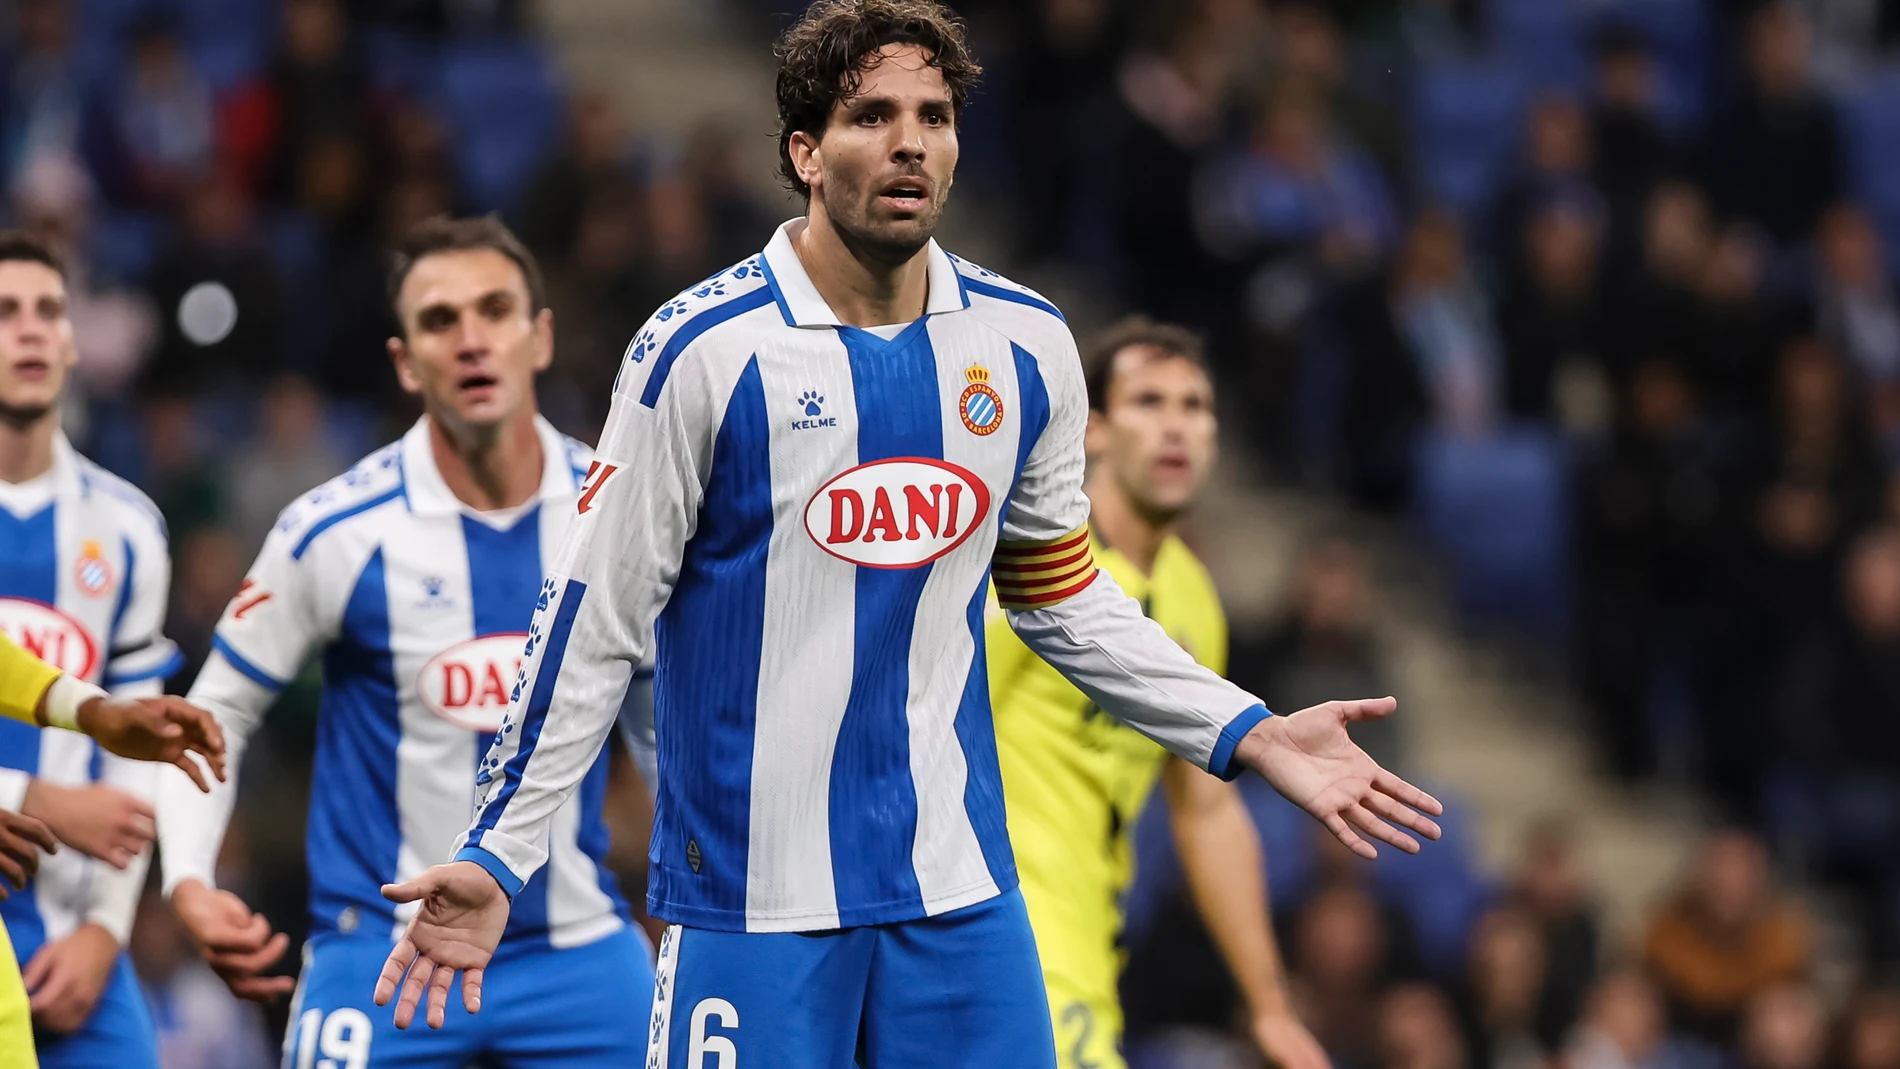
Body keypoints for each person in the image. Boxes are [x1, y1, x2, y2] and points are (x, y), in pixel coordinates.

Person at [376, 5, 1441, 1068]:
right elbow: (593, 620)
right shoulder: (702, 352)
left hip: (959, 896)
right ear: (804, 152)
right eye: (871, 115)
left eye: (933, 115)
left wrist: (1247, 730)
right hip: (754, 900)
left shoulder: (1024, 344)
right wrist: (500, 850)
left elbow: (1061, 594)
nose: (908, 142)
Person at [153, 216, 656, 1066]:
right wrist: (189, 881)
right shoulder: (334, 531)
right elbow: (218, 711)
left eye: (494, 310)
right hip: (378, 955)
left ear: (539, 338)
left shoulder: (619, 515)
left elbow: (661, 719)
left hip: (577, 949)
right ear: (403, 360)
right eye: (439, 319)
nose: (469, 340)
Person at [985, 316, 1327, 1069]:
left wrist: (1270, 1005)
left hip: (1090, 954)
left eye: (1195, 405)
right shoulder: (1023, 575)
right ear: (1094, 430)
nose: (1176, 426)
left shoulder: (1190, 596)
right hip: (1000, 948)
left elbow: (1203, 807)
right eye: (1148, 401)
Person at [0, 230, 232, 1069]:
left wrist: (104, 929)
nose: (29, 330)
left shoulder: (128, 529)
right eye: (5, 312)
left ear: (72, 340)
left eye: (48, 311)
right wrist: (41, 798)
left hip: (67, 934)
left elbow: (134, 748)